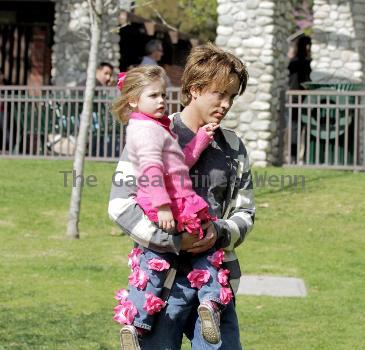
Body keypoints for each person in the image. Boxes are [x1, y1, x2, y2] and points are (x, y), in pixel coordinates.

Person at [109, 43, 255, 350]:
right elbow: (121, 205)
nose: (226, 104)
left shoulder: (234, 146)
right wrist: (173, 241)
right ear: (194, 89)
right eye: (220, 93)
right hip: (162, 287)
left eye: (232, 96)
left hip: (214, 285)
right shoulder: (152, 131)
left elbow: (245, 210)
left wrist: (219, 232)